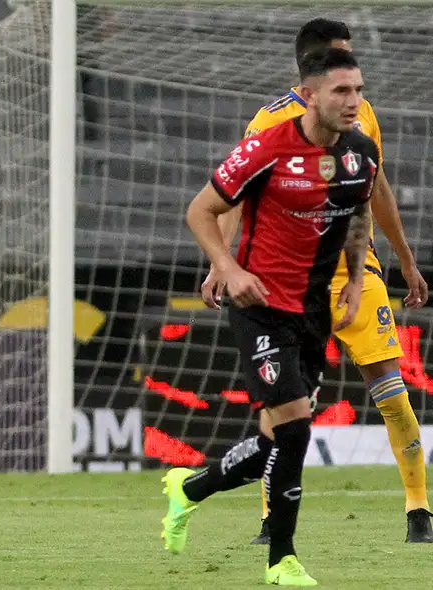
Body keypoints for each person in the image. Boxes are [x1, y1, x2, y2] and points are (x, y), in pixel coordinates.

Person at [203, 18, 432, 545]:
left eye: (354, 77)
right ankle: (270, 521)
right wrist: (223, 264)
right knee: (286, 408)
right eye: (340, 68)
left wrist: (405, 259)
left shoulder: (362, 116)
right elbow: (235, 196)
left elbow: (378, 190)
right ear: (311, 75)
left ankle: (419, 511)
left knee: (392, 391)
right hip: (286, 281)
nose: (351, 85)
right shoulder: (267, 126)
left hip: (355, 271)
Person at [165, 47, 377, 586]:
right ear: (309, 95)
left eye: (357, 90)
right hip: (258, 307)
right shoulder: (266, 147)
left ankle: (190, 489)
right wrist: (228, 269)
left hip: (313, 311)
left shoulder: (361, 154)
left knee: (274, 441)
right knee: (297, 430)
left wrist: (354, 278)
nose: (353, 101)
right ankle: (281, 559)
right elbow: (200, 211)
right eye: (341, 91)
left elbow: (358, 216)